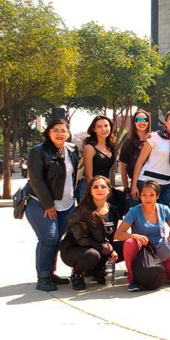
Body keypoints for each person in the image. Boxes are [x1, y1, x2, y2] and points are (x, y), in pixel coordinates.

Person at [25, 119, 79, 292]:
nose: (60, 133)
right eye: (55, 130)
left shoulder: (71, 149)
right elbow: (36, 180)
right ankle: (43, 277)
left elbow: (72, 176)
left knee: (56, 239)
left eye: (63, 130)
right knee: (48, 237)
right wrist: (48, 204)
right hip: (40, 203)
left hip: (66, 204)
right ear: (48, 132)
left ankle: (51, 273)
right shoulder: (38, 151)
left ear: (68, 133)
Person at [114, 180, 170, 291]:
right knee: (130, 243)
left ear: (157, 196)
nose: (148, 199)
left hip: (160, 249)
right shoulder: (134, 211)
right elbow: (118, 234)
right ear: (140, 196)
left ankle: (155, 272)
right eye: (144, 195)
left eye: (151, 195)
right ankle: (133, 279)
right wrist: (136, 236)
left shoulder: (164, 209)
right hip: (141, 250)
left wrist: (169, 239)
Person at [60, 176, 123, 290]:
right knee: (93, 254)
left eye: (103, 187)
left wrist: (111, 249)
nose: (99, 189)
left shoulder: (112, 210)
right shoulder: (81, 211)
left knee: (125, 245)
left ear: (109, 190)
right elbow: (82, 240)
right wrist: (106, 248)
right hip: (75, 250)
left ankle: (97, 270)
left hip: (99, 247)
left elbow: (110, 236)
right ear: (90, 191)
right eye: (95, 187)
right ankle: (77, 274)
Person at [131, 110, 170, 216]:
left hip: (166, 186)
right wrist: (134, 186)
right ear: (165, 122)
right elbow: (140, 161)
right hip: (145, 183)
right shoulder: (154, 137)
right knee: (138, 219)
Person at [80, 115, 126, 213]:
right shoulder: (90, 148)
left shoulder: (111, 146)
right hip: (90, 188)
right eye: (99, 126)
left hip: (104, 187)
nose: (104, 129)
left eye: (106, 125)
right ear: (94, 129)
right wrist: (95, 191)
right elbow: (88, 175)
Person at [119, 110, 151, 203]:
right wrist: (126, 189)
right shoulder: (128, 143)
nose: (142, 122)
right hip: (136, 185)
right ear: (134, 122)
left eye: (145, 119)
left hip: (153, 184)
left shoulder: (154, 139)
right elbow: (123, 167)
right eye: (139, 119)